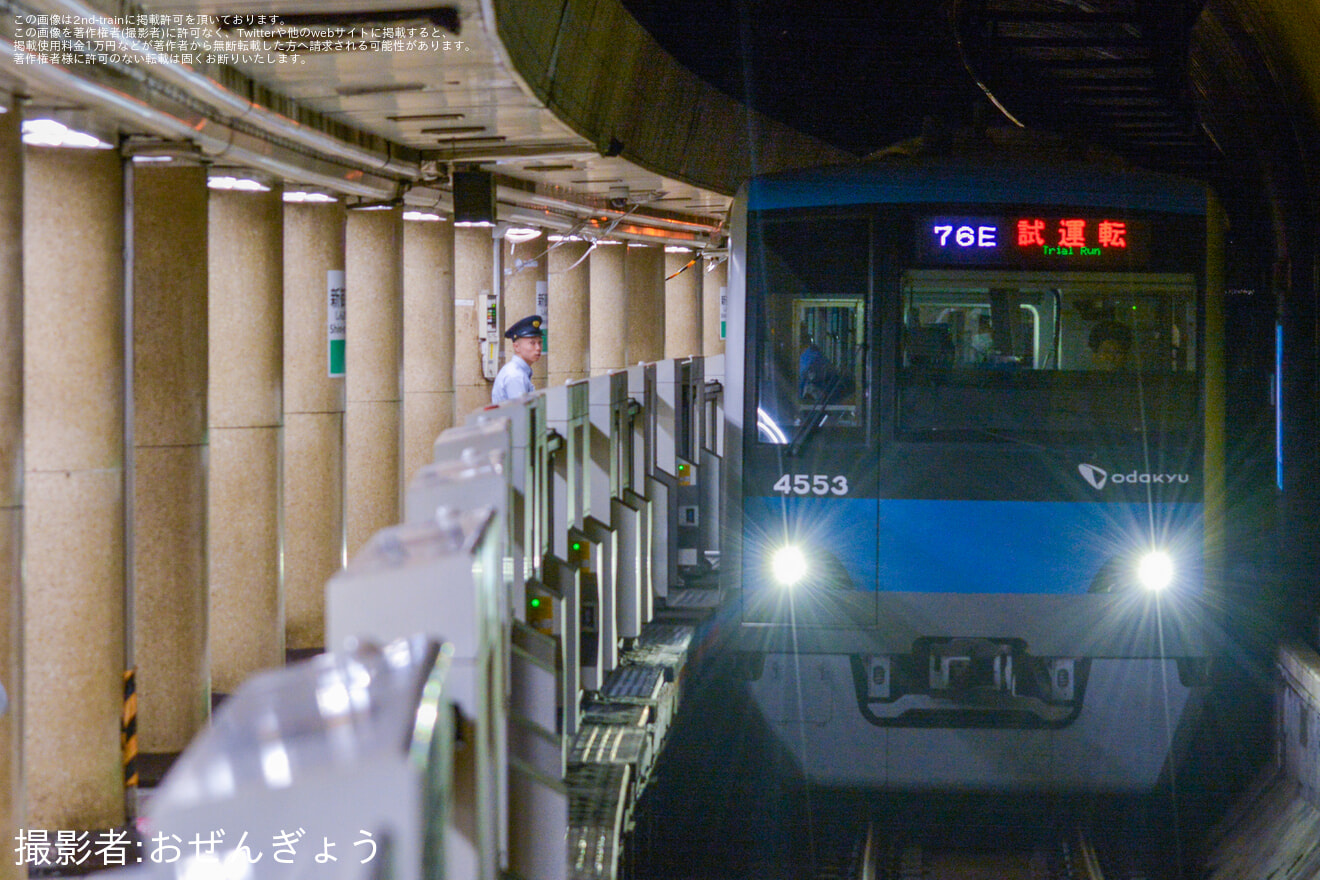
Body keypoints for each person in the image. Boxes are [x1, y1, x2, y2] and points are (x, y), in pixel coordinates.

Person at [491, 314, 543, 403]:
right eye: (532, 343)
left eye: (540, 342)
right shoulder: (515, 376)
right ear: (516, 347)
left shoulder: (518, 371)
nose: (538, 348)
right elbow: (521, 413)